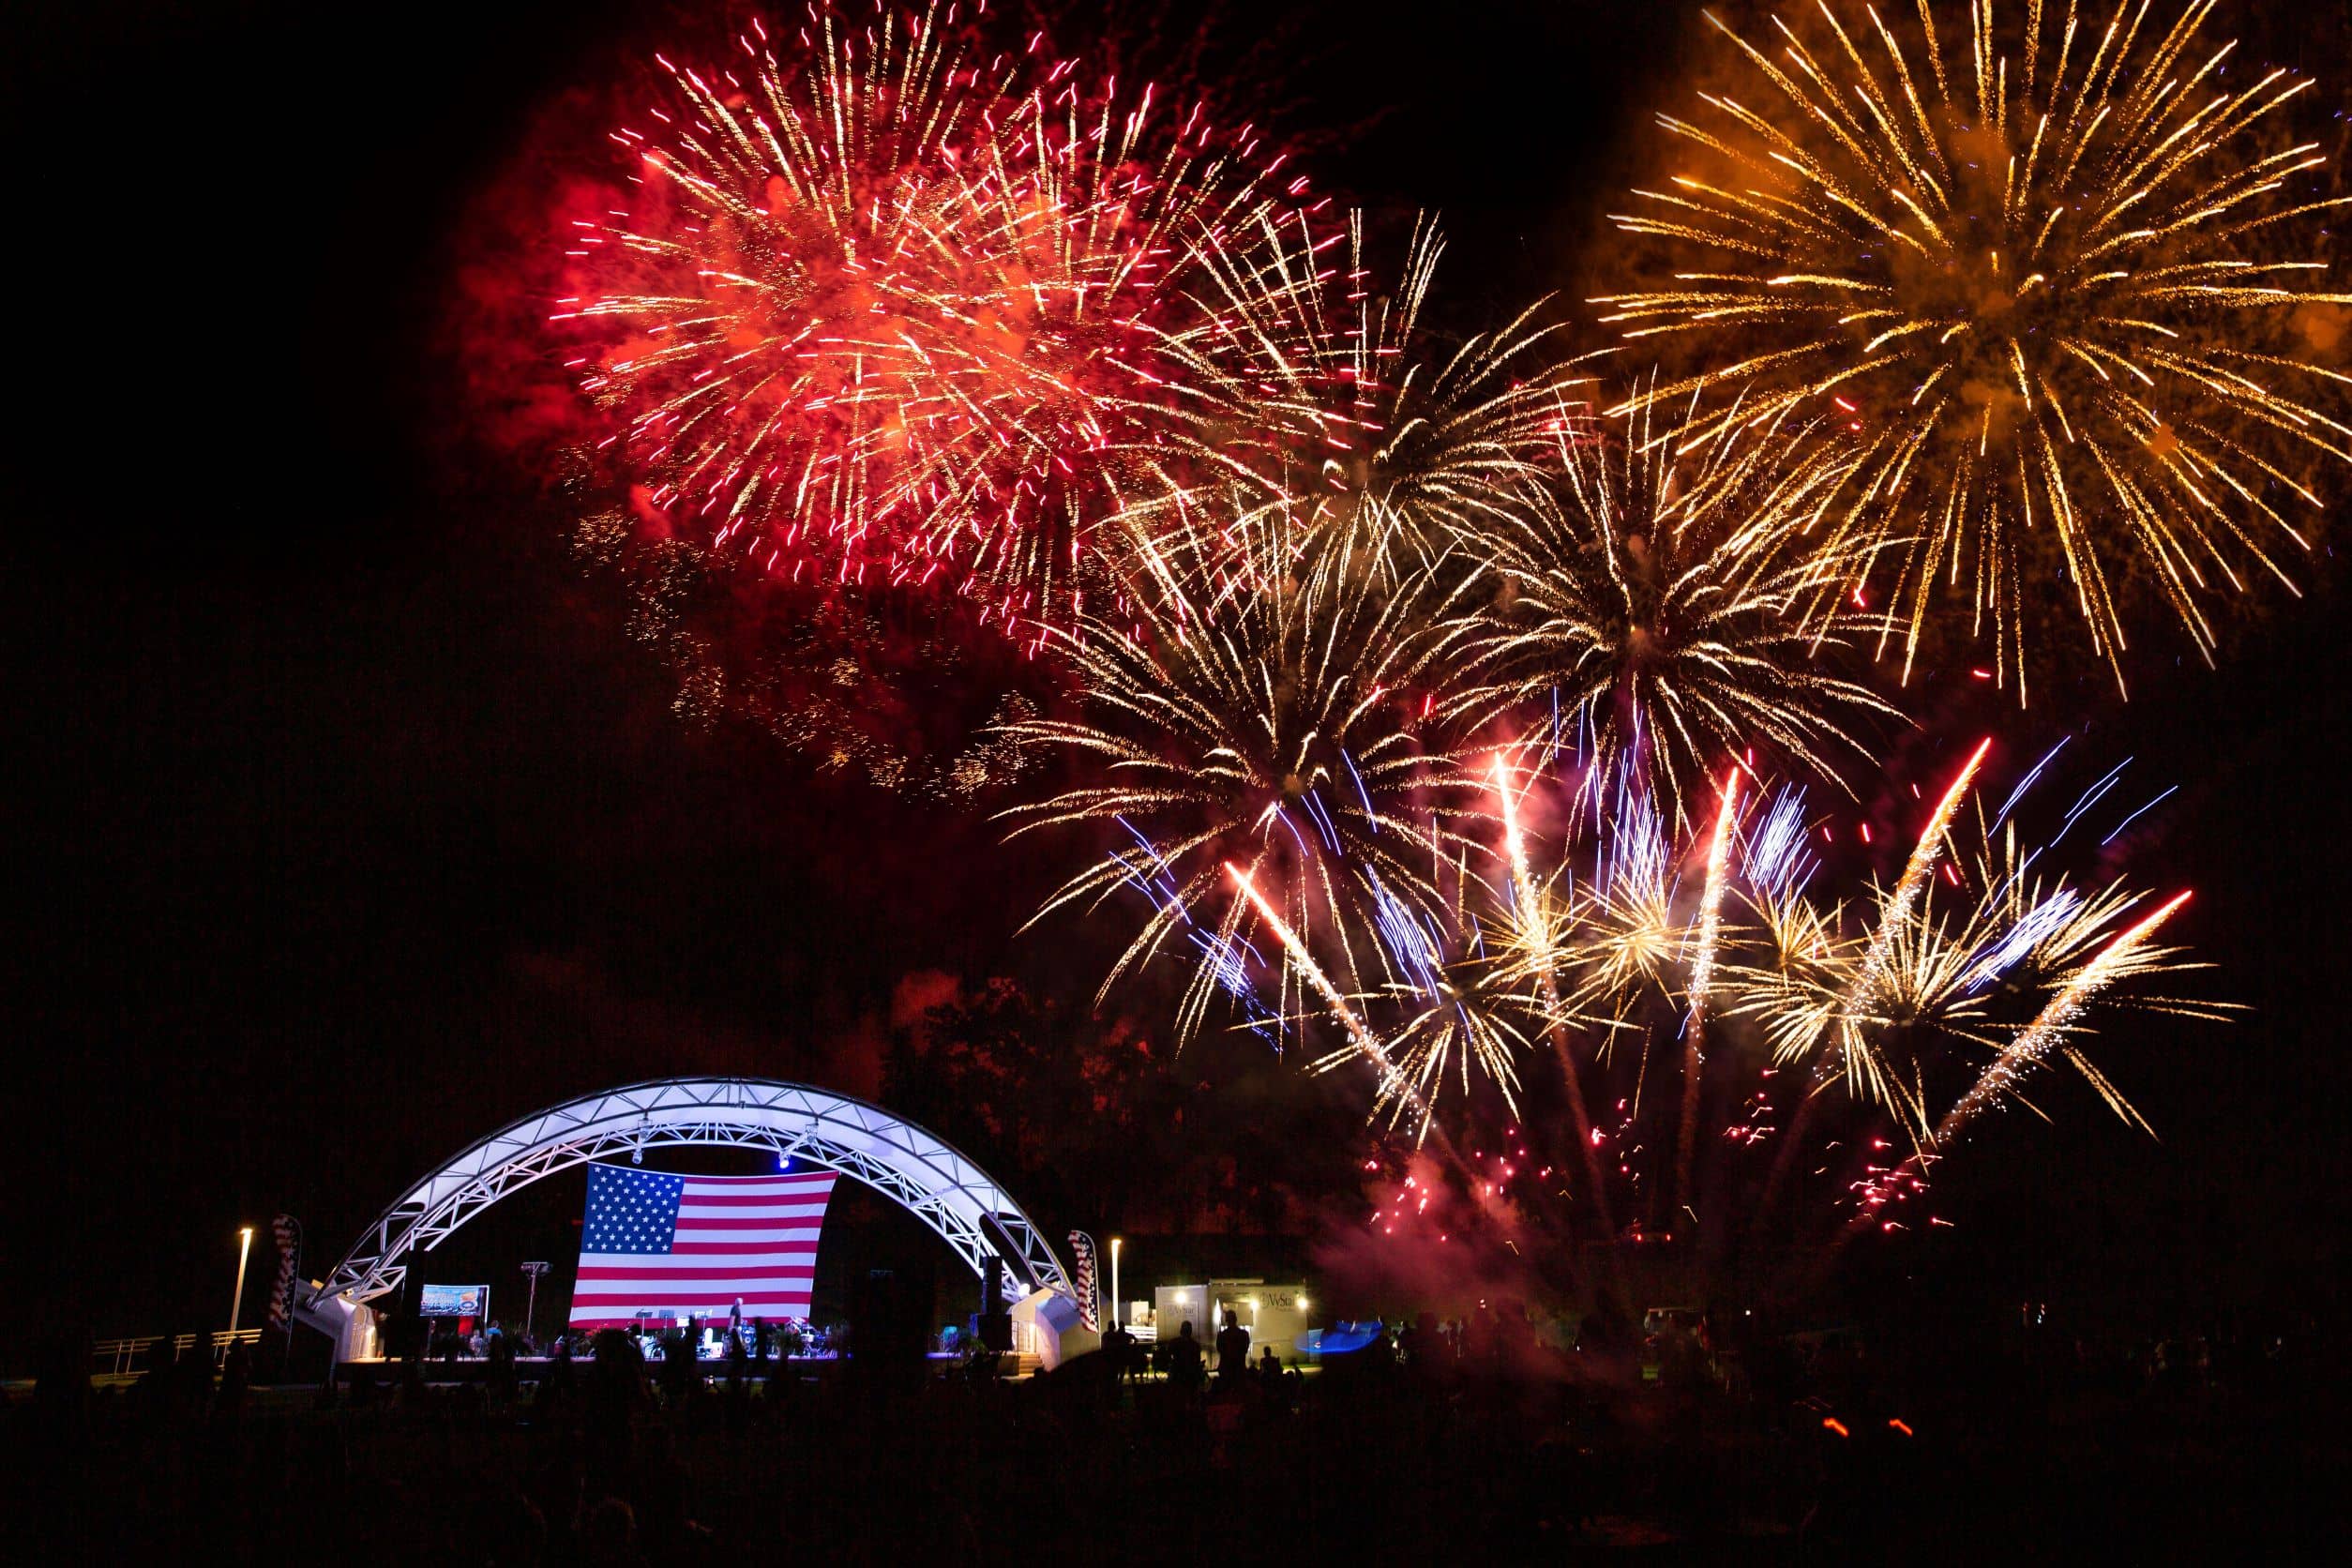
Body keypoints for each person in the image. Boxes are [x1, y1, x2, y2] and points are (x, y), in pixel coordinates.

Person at [1215, 1308, 1251, 1386]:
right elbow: (1245, 1349)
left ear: (1226, 1320)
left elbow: (1219, 1349)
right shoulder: (1244, 1334)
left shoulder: (1222, 1335)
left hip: (1226, 1370)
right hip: (1239, 1369)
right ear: (1236, 1319)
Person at [1168, 1319, 1204, 1393]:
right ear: (1190, 1331)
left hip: (1177, 1374)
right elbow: (1197, 1360)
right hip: (1191, 1375)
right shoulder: (1195, 1345)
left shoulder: (1174, 1342)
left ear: (1181, 1330)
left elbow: (1168, 1356)